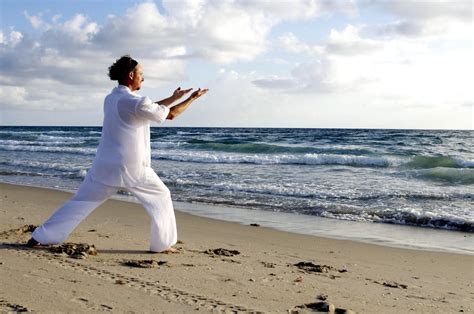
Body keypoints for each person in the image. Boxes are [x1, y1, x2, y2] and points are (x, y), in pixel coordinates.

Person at [27, 55, 208, 252]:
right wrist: (191, 98)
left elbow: (147, 108)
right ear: (131, 75)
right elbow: (169, 114)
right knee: (162, 196)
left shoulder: (112, 98)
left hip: (104, 167)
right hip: (131, 168)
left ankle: (42, 237)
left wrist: (174, 97)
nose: (143, 78)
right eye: (141, 74)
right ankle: (162, 245)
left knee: (80, 202)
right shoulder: (135, 102)